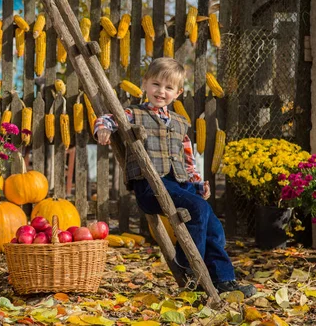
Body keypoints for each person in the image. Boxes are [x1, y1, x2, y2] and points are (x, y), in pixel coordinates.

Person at [94, 57, 256, 298]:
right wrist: (104, 128)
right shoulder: (133, 113)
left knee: (213, 225)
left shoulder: (181, 123)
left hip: (180, 186)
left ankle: (224, 279)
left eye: (169, 88)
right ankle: (190, 266)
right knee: (200, 210)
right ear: (145, 84)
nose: (161, 91)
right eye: (156, 84)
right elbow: (109, 118)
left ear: (178, 93)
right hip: (151, 187)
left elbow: (187, 160)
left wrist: (198, 184)